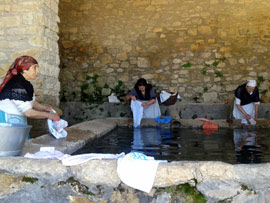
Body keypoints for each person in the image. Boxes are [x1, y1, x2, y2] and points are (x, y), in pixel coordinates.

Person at [0, 56, 60, 125]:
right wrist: (50, 116)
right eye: (35, 68)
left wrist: (44, 108)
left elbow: (31, 102)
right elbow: (28, 113)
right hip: (6, 121)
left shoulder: (25, 83)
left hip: (16, 120)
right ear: (24, 69)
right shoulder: (16, 84)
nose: (38, 71)